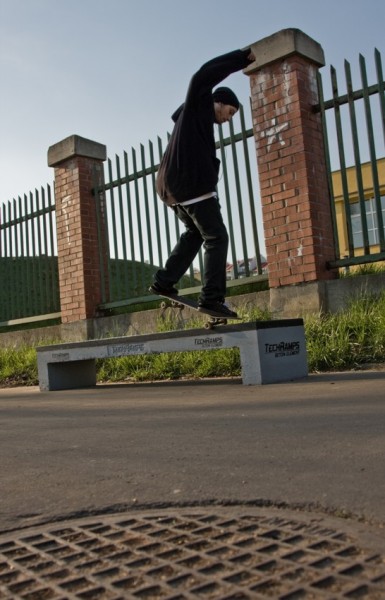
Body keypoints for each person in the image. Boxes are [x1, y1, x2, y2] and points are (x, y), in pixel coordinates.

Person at [150, 46, 255, 318]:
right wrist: (241, 58)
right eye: (229, 112)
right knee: (217, 237)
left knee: (195, 233)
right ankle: (212, 298)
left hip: (170, 187)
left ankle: (164, 280)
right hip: (191, 184)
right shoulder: (198, 105)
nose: (228, 119)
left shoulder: (190, 120)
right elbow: (201, 77)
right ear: (217, 101)